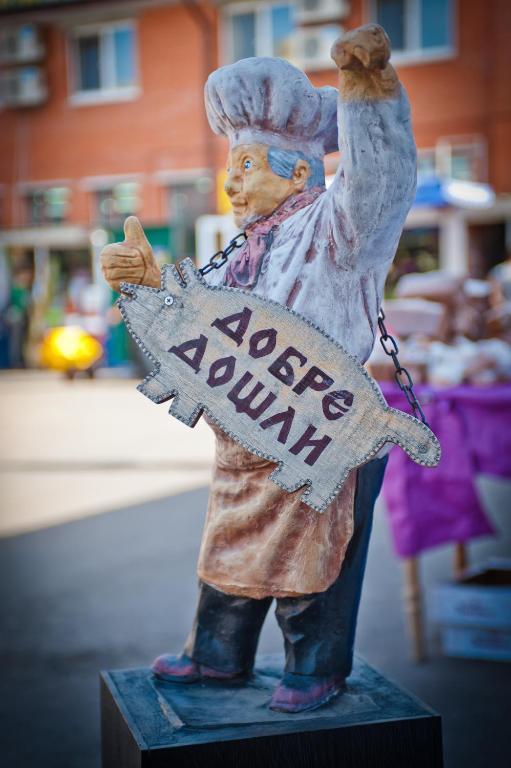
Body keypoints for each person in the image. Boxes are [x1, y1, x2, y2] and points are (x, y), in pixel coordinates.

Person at [101, 24, 416, 713]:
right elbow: (199, 337)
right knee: (227, 541)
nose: (230, 186)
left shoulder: (335, 227)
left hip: (321, 429)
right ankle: (217, 654)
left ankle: (313, 665)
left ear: (299, 172)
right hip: (246, 432)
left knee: (317, 557)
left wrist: (368, 94)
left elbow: (379, 183)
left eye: (245, 167)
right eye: (229, 169)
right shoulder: (244, 250)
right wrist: (146, 287)